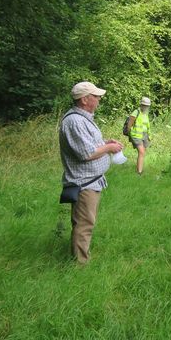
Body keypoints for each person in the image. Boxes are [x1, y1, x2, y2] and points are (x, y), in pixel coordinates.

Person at [59, 81, 123, 264]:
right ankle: (80, 265)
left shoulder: (83, 118)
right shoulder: (75, 121)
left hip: (92, 182)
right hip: (83, 184)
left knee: (85, 223)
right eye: (96, 96)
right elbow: (86, 153)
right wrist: (109, 147)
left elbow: (89, 144)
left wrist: (105, 142)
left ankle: (81, 258)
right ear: (85, 99)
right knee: (84, 225)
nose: (99, 100)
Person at [126, 97, 152, 175]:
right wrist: (129, 133)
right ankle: (139, 172)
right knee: (141, 151)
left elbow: (147, 125)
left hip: (144, 135)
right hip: (136, 135)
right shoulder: (136, 112)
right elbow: (129, 124)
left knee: (142, 152)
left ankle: (139, 169)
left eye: (147, 105)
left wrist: (149, 135)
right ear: (141, 104)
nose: (145, 107)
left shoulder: (146, 113)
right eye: (144, 105)